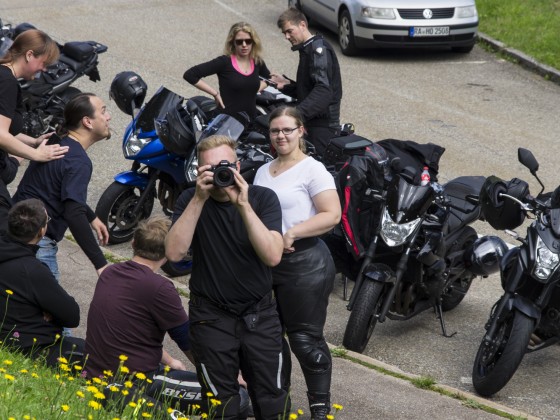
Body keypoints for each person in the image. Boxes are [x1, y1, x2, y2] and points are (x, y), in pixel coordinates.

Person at [166, 135, 288, 419]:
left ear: (238, 165)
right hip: (211, 316)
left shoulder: (261, 198)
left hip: (259, 314)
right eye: (210, 168)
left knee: (272, 401)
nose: (220, 174)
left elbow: (272, 256)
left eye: (225, 166)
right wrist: (199, 198)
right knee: (221, 405)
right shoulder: (190, 199)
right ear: (199, 171)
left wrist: (243, 206)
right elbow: (173, 253)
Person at [84, 215, 250, 414]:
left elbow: (129, 334)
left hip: (98, 374)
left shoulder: (110, 272)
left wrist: (170, 361)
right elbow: (189, 342)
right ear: (169, 252)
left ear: (133, 242)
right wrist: (226, 376)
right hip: (138, 380)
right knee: (233, 395)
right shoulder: (159, 287)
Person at [253, 106, 340, 419]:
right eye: (275, 131)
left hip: (305, 263)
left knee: (304, 340)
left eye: (287, 130)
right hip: (266, 263)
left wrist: (291, 234)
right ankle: (278, 403)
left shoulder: (313, 170)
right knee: (269, 339)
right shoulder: (264, 170)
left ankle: (320, 409)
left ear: (301, 131)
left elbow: (332, 215)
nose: (281, 136)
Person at [13, 93, 110, 279]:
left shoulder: (56, 142)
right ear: (88, 122)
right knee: (55, 307)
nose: (108, 117)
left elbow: (55, 189)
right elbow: (73, 213)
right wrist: (101, 264)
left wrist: (91, 216)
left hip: (12, 228)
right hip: (37, 244)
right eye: (103, 111)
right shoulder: (79, 162)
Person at [0, 29, 69, 232]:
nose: (44, 70)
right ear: (29, 55)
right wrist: (36, 154)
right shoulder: (7, 83)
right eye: (44, 63)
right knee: (9, 235)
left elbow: (6, 128)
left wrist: (33, 141)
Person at [0, 198, 83, 367]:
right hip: (30, 347)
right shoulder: (32, 270)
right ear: (41, 232)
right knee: (98, 356)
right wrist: (47, 311)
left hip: (11, 338)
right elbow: (72, 316)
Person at [270, 8, 343, 157]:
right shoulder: (308, 49)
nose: (287, 36)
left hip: (322, 127)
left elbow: (323, 91)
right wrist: (287, 85)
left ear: (302, 25)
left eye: (290, 31)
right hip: (313, 122)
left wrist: (294, 115)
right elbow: (310, 88)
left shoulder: (318, 50)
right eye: (284, 33)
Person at [183, 21, 271, 122]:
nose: (244, 45)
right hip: (226, 123)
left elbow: (269, 78)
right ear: (232, 42)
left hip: (250, 121)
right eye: (239, 41)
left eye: (248, 41)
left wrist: (254, 89)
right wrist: (215, 93)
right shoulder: (224, 62)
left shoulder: (257, 61)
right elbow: (190, 75)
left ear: (254, 42)